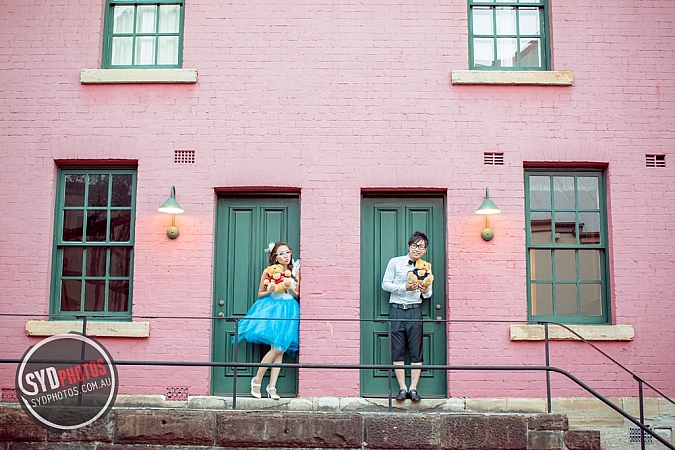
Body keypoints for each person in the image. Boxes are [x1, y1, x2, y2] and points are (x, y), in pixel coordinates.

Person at [235, 241, 300, 400]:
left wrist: (289, 286)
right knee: (276, 348)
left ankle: (272, 387)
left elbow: (298, 295)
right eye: (281, 253)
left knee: (281, 349)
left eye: (288, 252)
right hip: (274, 309)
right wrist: (272, 288)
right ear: (275, 257)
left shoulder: (295, 270)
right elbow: (260, 293)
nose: (286, 256)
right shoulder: (268, 271)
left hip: (290, 310)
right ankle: (257, 380)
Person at [381, 231, 433, 403]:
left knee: (416, 350)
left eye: (421, 247)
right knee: (397, 351)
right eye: (415, 245)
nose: (417, 249)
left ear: (425, 250)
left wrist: (425, 290)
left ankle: (413, 388)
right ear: (409, 246)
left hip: (414, 310)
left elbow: (428, 293)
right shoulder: (395, 262)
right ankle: (402, 388)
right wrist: (404, 287)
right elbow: (385, 284)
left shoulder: (426, 267)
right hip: (396, 310)